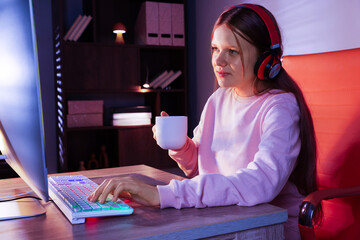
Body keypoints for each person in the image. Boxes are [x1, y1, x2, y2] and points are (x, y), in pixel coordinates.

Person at [88, 4, 318, 239]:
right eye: (215, 48)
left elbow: (261, 183)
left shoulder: (280, 107)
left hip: (268, 225)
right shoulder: (218, 99)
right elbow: (199, 168)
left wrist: (164, 195)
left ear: (266, 60)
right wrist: (180, 146)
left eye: (232, 51)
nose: (218, 60)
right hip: (227, 216)